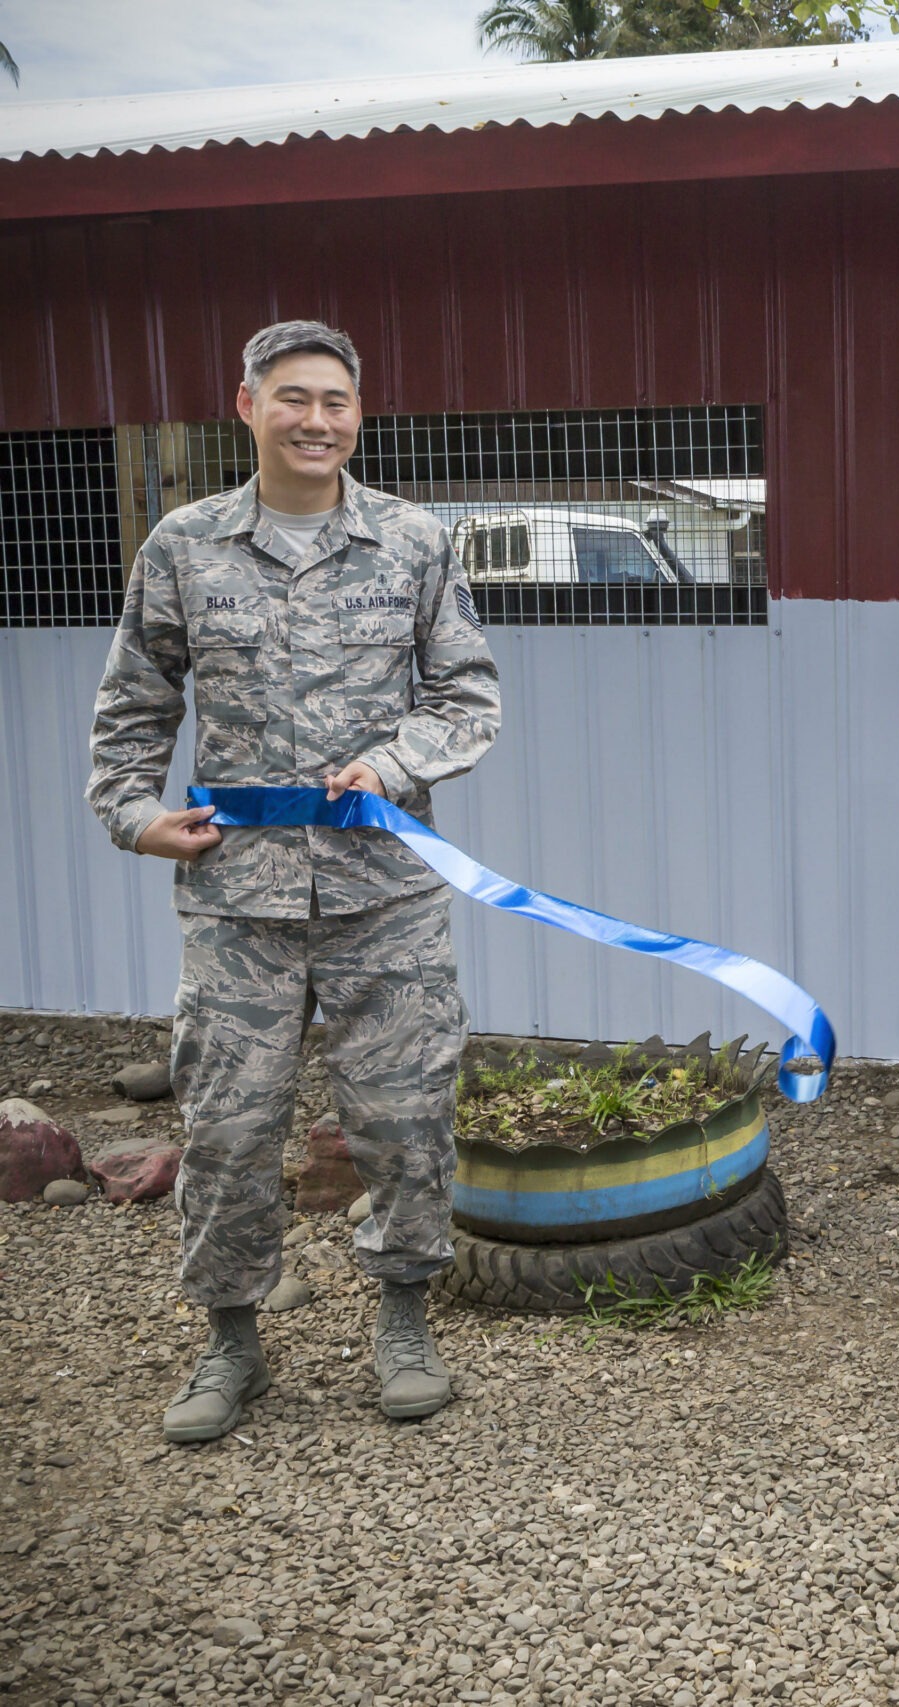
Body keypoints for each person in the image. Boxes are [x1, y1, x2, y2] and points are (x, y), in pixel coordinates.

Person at [86, 320, 502, 1444]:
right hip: (237, 904)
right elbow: (134, 706)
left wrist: (396, 763)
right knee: (226, 1129)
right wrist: (134, 816)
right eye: (294, 399)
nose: (317, 421)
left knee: (408, 1123)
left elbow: (467, 696)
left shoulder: (414, 542)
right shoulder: (184, 545)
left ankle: (405, 1324)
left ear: (357, 415)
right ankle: (230, 1339)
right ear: (248, 406)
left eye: (337, 402)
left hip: (386, 895)